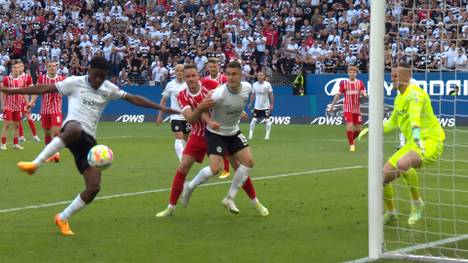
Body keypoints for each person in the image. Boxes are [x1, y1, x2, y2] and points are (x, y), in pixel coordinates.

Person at [1, 56, 178, 235]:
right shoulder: (74, 82)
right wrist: (12, 91)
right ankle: (35, 164)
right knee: (75, 129)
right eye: (95, 76)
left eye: (102, 77)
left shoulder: (108, 88)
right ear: (89, 70)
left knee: (94, 187)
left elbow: (133, 98)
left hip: (89, 142)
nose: (98, 80)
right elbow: (44, 88)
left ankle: (62, 217)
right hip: (72, 127)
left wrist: (161, 108)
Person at [358, 66, 445, 225]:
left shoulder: (416, 94)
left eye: (396, 76)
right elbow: (392, 122)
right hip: (413, 143)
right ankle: (391, 213)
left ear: (406, 77)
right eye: (392, 76)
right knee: (381, 178)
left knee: (403, 163)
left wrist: (418, 138)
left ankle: (417, 203)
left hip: (430, 141)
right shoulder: (399, 98)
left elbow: (414, 120)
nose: (392, 79)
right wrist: (372, 129)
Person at [180, 61, 269, 216]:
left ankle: (230, 197)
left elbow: (237, 103)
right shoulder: (218, 94)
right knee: (216, 169)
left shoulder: (247, 88)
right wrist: (210, 122)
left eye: (234, 74)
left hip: (233, 132)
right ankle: (190, 186)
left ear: (241, 75)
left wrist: (240, 111)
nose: (230, 77)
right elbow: (202, 110)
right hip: (216, 134)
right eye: (228, 74)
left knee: (248, 162)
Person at [155, 64, 219, 217]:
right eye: (188, 76)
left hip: (217, 133)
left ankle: (190, 186)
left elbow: (226, 95)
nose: (191, 79)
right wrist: (202, 106)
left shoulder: (210, 84)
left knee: (227, 166)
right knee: (182, 168)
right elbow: (190, 119)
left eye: (193, 76)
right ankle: (171, 207)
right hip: (197, 134)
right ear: (183, 77)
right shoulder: (182, 95)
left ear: (199, 76)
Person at [203, 57, 231, 179]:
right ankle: (219, 165)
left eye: (215, 66)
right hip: (210, 114)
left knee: (223, 140)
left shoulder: (223, 79)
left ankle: (226, 168)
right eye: (211, 66)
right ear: (208, 68)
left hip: (222, 113)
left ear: (218, 67)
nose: (213, 68)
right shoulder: (205, 80)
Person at [328, 66, 367, 152]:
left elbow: (364, 93)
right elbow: (338, 95)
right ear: (348, 73)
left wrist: (363, 94)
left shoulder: (360, 83)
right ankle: (351, 145)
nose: (352, 74)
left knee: (358, 130)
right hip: (347, 108)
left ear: (356, 74)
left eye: (354, 72)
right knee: (349, 127)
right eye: (350, 72)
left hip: (357, 109)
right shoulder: (344, 83)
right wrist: (332, 105)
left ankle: (351, 140)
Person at [156, 64, 189, 162]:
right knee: (179, 138)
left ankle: (184, 158)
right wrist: (160, 115)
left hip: (187, 116)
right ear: (175, 72)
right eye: (177, 71)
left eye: (181, 71)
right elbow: (163, 101)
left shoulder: (188, 84)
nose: (179, 73)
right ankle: (182, 161)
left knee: (185, 140)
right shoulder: (170, 85)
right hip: (175, 116)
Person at [38, 60, 66, 162]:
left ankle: (56, 153)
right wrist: (31, 102)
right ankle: (48, 153)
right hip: (44, 110)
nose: (52, 68)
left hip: (56, 109)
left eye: (54, 66)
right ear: (47, 67)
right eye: (50, 66)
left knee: (56, 131)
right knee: (47, 132)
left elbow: (67, 90)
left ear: (57, 67)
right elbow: (36, 91)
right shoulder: (42, 79)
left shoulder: (61, 79)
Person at [1, 60, 26, 150]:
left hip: (18, 106)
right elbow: (2, 92)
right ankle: (3, 144)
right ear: (11, 69)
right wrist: (2, 105)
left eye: (17, 67)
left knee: (16, 126)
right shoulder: (6, 79)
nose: (16, 69)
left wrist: (26, 103)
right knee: (6, 125)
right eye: (14, 68)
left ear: (20, 69)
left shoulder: (22, 79)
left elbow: (23, 92)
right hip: (9, 106)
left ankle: (15, 144)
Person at [17, 60, 40, 143]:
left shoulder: (27, 77)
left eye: (21, 66)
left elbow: (32, 90)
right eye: (18, 66)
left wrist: (30, 102)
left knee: (29, 117)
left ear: (23, 68)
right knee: (17, 119)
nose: (19, 68)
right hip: (15, 101)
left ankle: (34, 135)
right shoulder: (13, 77)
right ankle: (21, 136)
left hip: (24, 101)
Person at [248, 71, 274, 140]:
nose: (260, 76)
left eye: (261, 75)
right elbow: (253, 94)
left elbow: (271, 94)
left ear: (264, 76)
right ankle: (250, 135)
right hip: (257, 106)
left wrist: (271, 104)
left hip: (266, 106)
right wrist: (251, 103)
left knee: (267, 120)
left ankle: (267, 136)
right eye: (258, 75)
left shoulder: (267, 84)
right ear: (257, 76)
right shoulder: (254, 84)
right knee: (253, 120)